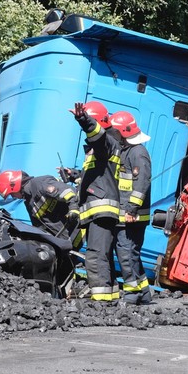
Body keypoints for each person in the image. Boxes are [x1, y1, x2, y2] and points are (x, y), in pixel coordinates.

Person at [70, 100, 122, 301]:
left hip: (100, 208)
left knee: (95, 254)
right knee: (104, 255)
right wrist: (73, 174)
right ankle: (111, 297)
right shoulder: (105, 147)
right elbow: (98, 173)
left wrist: (83, 119)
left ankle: (100, 300)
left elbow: (97, 135)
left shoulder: (106, 141)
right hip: (100, 209)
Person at [109, 111, 153, 305]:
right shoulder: (127, 150)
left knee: (126, 253)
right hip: (127, 213)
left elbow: (142, 182)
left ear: (122, 132)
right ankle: (144, 292)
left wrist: (131, 210)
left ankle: (131, 294)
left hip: (133, 216)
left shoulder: (137, 152)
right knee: (131, 253)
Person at [0, 170, 83, 249]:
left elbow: (67, 192)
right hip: (68, 241)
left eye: (12, 194)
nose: (13, 197)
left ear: (15, 186)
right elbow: (39, 228)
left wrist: (74, 209)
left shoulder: (38, 183)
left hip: (81, 229)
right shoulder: (29, 202)